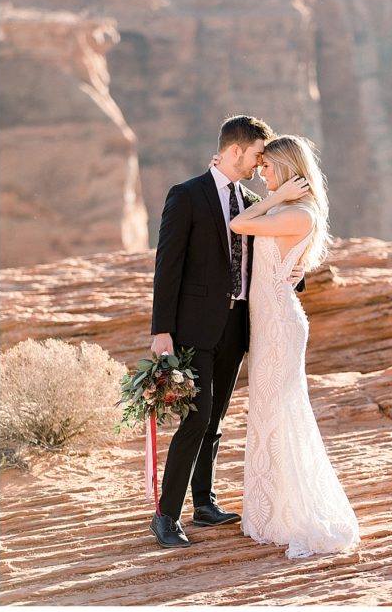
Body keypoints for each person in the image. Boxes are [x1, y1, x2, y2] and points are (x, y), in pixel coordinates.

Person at [228, 134, 360, 558]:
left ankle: (293, 514)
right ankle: (272, 510)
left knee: (281, 412)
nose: (261, 173)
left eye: (267, 167)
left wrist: (276, 197)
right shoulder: (289, 210)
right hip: (269, 324)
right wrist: (277, 197)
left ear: (286, 170)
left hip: (280, 327)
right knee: (268, 412)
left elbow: (240, 224)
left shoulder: (297, 213)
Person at [149, 115, 274, 548]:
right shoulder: (186, 195)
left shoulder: (252, 200)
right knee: (196, 418)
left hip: (236, 329)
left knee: (215, 419)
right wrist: (161, 330)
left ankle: (204, 503)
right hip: (193, 328)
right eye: (258, 154)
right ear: (236, 150)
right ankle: (166, 515)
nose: (261, 164)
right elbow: (167, 267)